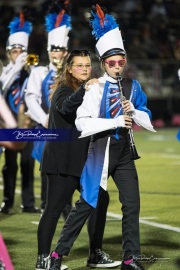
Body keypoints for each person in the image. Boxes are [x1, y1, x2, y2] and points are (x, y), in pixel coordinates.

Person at [47, 5, 156, 270]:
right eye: (111, 62)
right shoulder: (93, 87)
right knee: (86, 204)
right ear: (103, 63)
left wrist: (135, 112)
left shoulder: (133, 87)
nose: (117, 66)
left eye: (121, 62)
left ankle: (130, 259)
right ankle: (57, 255)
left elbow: (148, 120)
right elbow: (83, 123)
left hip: (125, 154)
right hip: (99, 152)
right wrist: (115, 120)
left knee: (132, 205)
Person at [35, 49, 121, 270]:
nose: (84, 69)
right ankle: (43, 259)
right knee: (54, 208)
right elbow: (66, 106)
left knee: (100, 200)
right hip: (61, 162)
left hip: (83, 161)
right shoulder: (64, 89)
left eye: (86, 65)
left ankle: (95, 253)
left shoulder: (89, 90)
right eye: (79, 65)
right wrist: (84, 88)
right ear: (69, 68)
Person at [25, 0, 72, 216]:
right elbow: (31, 98)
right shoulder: (39, 72)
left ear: (66, 51)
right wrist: (44, 118)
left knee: (67, 167)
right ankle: (46, 205)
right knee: (46, 168)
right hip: (45, 127)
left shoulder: (73, 74)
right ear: (48, 49)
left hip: (67, 129)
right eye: (53, 49)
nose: (57, 53)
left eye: (61, 49)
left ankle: (66, 206)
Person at [0, 11, 38, 214]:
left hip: (27, 124)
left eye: (21, 51)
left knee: (27, 163)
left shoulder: (31, 71)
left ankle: (28, 203)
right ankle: (7, 202)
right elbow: (4, 89)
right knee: (10, 165)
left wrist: (27, 68)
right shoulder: (6, 71)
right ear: (9, 54)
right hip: (8, 125)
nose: (18, 54)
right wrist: (16, 68)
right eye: (14, 51)